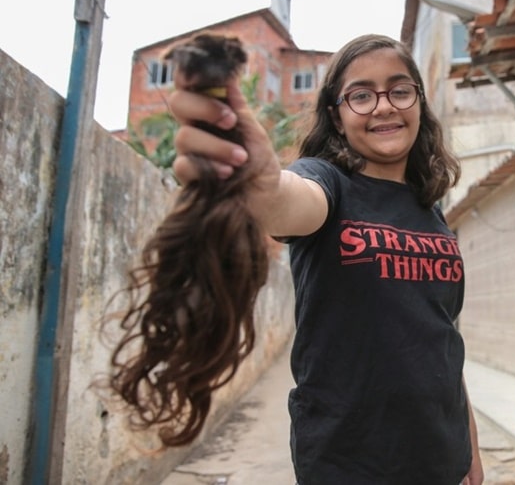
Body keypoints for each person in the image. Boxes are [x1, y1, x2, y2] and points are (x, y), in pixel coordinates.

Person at [168, 34, 484, 485]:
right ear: (336, 115)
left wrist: (468, 444)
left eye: (399, 89)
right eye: (360, 95)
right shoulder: (328, 184)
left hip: (442, 458)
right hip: (348, 464)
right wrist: (257, 181)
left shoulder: (430, 211)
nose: (383, 106)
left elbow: (442, 335)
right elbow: (285, 199)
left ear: (418, 102)